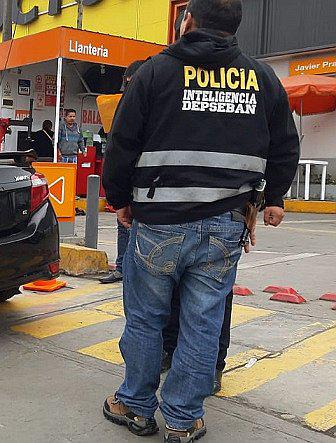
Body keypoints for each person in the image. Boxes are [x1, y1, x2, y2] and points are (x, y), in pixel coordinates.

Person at [101, 1, 300, 441]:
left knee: (147, 319)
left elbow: (122, 143)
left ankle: (134, 405)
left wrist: (120, 199)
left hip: (159, 223)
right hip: (225, 225)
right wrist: (274, 196)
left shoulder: (155, 72)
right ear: (234, 27)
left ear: (187, 20)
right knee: (203, 321)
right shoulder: (261, 77)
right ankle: (183, 418)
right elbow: (286, 143)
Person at [99, 60, 145, 285]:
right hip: (136, 181)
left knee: (133, 228)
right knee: (124, 228)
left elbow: (118, 148)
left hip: (140, 182)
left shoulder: (140, 100)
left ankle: (129, 269)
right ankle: (123, 267)